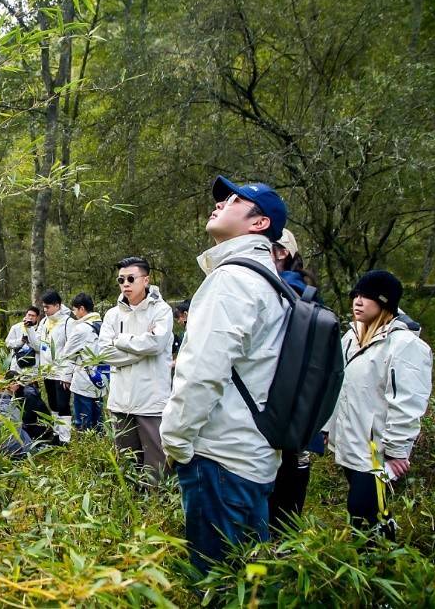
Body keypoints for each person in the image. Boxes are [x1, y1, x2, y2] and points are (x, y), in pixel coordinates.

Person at [160, 176, 290, 574]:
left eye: (235, 200)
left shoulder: (232, 279)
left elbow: (202, 373)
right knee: (246, 583)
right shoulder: (271, 282)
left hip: (220, 460)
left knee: (216, 582)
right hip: (253, 456)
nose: (220, 203)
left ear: (259, 223)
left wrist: (176, 442)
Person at [326, 270, 432, 537]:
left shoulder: (405, 344)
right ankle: (377, 562)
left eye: (368, 296)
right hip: (352, 442)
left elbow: (408, 402)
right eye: (356, 295)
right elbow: (339, 387)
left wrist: (397, 452)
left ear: (385, 303)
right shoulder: (351, 337)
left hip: (377, 451)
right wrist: (328, 428)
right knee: (370, 515)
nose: (358, 301)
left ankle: (378, 564)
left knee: (362, 510)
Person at [97, 256, 174, 486]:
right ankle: (129, 516)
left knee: (156, 470)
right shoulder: (112, 314)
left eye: (131, 278)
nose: (126, 284)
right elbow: (103, 352)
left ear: (146, 280)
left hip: (151, 402)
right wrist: (141, 349)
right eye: (121, 280)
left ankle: (156, 514)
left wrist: (119, 340)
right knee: (126, 468)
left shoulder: (162, 311)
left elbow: (156, 344)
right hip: (120, 402)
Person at [267, 228, 323, 532]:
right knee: (290, 483)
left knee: (280, 488)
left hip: (282, 407)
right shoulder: (303, 292)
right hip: (298, 409)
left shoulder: (287, 293)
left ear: (282, 253)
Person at [27, 290, 73, 444]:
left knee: (63, 405)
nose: (45, 310)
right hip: (48, 371)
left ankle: (65, 439)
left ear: (57, 305)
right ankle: (56, 434)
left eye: (47, 307)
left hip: (62, 372)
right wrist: (30, 330)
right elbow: (38, 346)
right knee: (53, 404)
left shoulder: (68, 323)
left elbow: (72, 351)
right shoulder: (45, 322)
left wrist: (68, 375)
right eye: (43, 307)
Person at [63, 293, 105, 432]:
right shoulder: (103, 325)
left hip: (84, 381)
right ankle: (99, 447)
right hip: (101, 380)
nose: (74, 314)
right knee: (98, 420)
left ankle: (84, 448)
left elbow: (67, 352)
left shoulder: (81, 328)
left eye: (74, 310)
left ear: (82, 309)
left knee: (83, 421)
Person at [5, 306, 41, 372]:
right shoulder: (16, 327)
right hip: (16, 365)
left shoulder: (40, 329)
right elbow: (8, 343)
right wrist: (21, 341)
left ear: (37, 317)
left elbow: (39, 348)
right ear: (26, 315)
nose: (30, 317)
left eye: (33, 316)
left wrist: (30, 338)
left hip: (33, 366)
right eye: (29, 315)